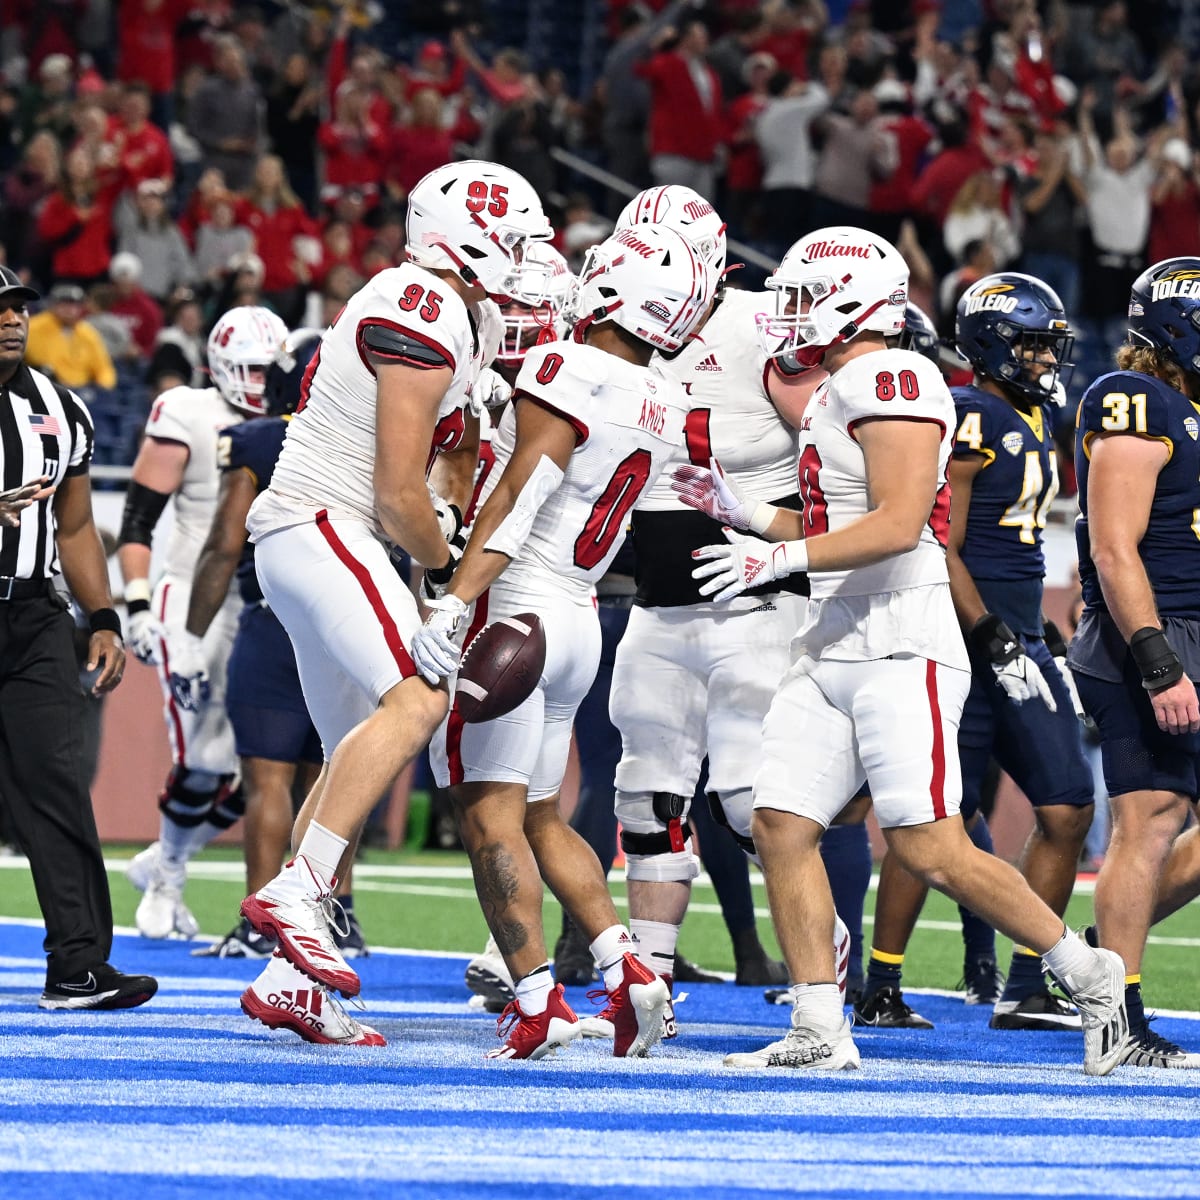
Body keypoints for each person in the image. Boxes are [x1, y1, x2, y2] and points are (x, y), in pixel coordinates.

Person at [671, 225, 1129, 1074]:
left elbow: (895, 525)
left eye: (808, 295)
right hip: (836, 638)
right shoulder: (849, 383)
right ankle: (819, 1025)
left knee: (929, 846)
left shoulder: (895, 375)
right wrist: (742, 513)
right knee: (779, 824)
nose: (794, 313)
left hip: (901, 643)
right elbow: (832, 528)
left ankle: (1087, 972)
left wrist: (779, 558)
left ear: (855, 301)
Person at [237, 161, 549, 1041]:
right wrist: (453, 569)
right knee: (419, 698)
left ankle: (287, 979)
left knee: (352, 754)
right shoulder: (421, 300)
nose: (522, 260)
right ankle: (298, 892)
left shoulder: (462, 314)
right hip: (323, 521)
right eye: (515, 239)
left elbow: (434, 472)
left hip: (316, 538)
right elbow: (395, 497)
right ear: (467, 233)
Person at [414, 225, 715, 1059]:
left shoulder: (567, 367)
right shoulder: (660, 396)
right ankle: (631, 974)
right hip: (579, 614)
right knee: (544, 816)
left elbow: (524, 487)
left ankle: (537, 1000)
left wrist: (455, 598)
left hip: (518, 608)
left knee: (490, 817)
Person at [854, 274, 1097, 1033]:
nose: (1042, 359)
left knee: (1066, 808)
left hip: (1016, 638)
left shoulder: (1023, 413)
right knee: (933, 821)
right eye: (1029, 344)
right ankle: (882, 985)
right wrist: (990, 632)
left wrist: (1032, 630)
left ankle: (1027, 985)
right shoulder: (968, 414)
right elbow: (941, 541)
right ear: (991, 343)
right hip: (960, 645)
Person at [608, 186, 817, 1013]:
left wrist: (788, 545)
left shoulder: (767, 328)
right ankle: (649, 985)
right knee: (645, 792)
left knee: (748, 801)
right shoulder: (609, 334)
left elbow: (839, 461)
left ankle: (822, 961)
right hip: (656, 605)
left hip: (757, 601)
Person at [169, 328, 367, 973]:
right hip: (350, 617)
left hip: (276, 617)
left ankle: (265, 920)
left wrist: (191, 635)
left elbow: (227, 543)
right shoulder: (367, 434)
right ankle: (336, 913)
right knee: (339, 771)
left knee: (268, 780)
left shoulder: (259, 439)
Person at [0, 264, 156, 1011]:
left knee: (56, 782)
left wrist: (103, 617)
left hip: (30, 617)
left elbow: (73, 526)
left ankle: (77, 966)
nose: (11, 320)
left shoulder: (59, 408)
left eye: (17, 308)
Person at [117, 305, 288, 940]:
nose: (254, 381)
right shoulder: (187, 412)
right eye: (244, 369)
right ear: (217, 366)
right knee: (204, 759)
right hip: (191, 596)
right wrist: (136, 601)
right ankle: (167, 879)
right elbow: (137, 520)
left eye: (265, 369)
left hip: (261, 600)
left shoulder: (290, 419)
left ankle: (166, 859)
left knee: (270, 762)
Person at [1068, 256, 1200, 1067]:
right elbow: (1115, 550)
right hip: (1149, 634)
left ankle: (1099, 954)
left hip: (1190, 627)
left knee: (1157, 833)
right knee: (1146, 824)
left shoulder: (1184, 410)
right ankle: (1115, 1015)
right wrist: (1157, 663)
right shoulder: (1136, 402)